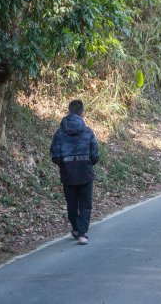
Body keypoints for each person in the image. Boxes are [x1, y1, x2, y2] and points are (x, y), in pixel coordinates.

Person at [50, 100, 99, 245]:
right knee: (85, 205)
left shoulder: (59, 133)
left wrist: (65, 165)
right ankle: (82, 234)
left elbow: (55, 156)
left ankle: (76, 229)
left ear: (69, 111)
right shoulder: (88, 132)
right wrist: (87, 163)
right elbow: (94, 155)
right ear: (82, 113)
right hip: (85, 173)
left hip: (68, 174)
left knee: (72, 204)